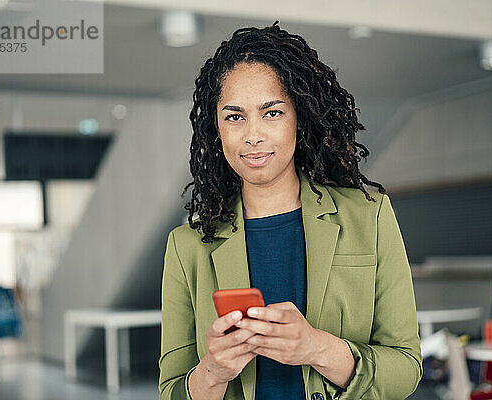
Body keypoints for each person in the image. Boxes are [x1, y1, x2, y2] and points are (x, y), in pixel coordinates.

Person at [158, 21, 422, 400]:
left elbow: (407, 369)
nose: (252, 135)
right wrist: (212, 372)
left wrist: (317, 348)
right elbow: (170, 392)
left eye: (272, 113)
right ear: (216, 128)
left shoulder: (370, 217)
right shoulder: (187, 246)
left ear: (300, 119)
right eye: (235, 116)